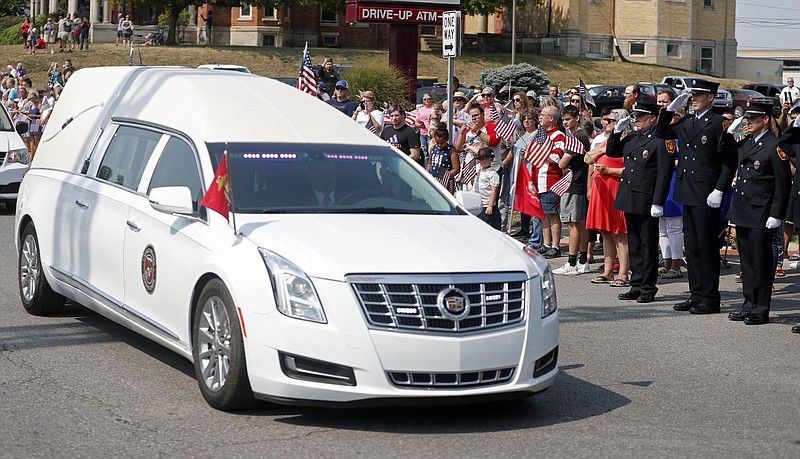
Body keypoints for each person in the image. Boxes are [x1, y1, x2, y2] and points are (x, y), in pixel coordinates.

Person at [655, 79, 736, 314]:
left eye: (699, 95)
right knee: (691, 247)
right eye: (692, 95)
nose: (694, 99)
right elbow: (661, 132)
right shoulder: (688, 120)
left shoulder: (720, 123)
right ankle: (696, 293)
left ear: (710, 97)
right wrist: (668, 110)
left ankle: (710, 298)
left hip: (707, 192)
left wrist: (720, 189)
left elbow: (729, 161)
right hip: (687, 190)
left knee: (706, 246)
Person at [725, 102, 791, 325]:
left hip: (762, 212)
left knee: (761, 263)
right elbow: (725, 150)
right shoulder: (747, 143)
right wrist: (731, 129)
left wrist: (777, 214)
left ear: (765, 120)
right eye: (747, 119)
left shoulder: (775, 146)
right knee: (747, 263)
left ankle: (760, 309)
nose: (748, 122)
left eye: (753, 118)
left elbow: (782, 184)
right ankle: (748, 304)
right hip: (744, 209)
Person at [606, 102, 675, 303]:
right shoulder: (633, 137)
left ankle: (648, 286)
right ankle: (636, 283)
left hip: (647, 198)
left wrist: (658, 201)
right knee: (634, 243)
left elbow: (664, 173)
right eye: (635, 117)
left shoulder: (660, 139)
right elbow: (612, 152)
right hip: (630, 196)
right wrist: (616, 131)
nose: (636, 120)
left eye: (641, 117)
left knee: (648, 244)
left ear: (652, 118)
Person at [585, 107, 630, 286]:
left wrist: (609, 170)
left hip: (617, 188)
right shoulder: (605, 142)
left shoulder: (628, 142)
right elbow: (587, 159)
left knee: (620, 233)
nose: (606, 123)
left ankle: (624, 273)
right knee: (605, 233)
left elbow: (632, 170)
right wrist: (603, 150)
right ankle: (608, 271)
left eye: (610, 120)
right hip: (601, 191)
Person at [553, 104, 591, 275]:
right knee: (580, 223)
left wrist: (560, 161)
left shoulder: (578, 137)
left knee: (573, 223)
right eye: (563, 120)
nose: (565, 123)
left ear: (577, 118)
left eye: (568, 119)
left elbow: (562, 163)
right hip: (578, 183)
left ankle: (572, 262)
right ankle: (583, 260)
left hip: (574, 184)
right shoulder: (580, 136)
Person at [654, 89, 685, 279]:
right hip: (660, 180)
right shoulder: (660, 130)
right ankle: (666, 262)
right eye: (659, 102)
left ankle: (676, 264)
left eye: (665, 102)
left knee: (674, 226)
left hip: (675, 179)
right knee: (661, 227)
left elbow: (688, 157)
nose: (662, 106)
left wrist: (670, 162)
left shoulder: (681, 129)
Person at [535, 106, 567, 258]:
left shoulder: (558, 136)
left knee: (552, 214)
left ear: (551, 118)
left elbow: (556, 158)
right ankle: (546, 244)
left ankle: (555, 245)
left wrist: (538, 154)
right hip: (540, 181)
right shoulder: (542, 135)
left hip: (551, 180)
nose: (540, 117)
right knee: (543, 215)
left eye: (543, 115)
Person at [473, 147, 501, 229]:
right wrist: (468, 147)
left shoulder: (492, 174)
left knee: (487, 226)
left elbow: (494, 190)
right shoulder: (478, 169)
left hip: (486, 204)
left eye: (486, 158)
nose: (484, 161)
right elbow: (478, 152)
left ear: (491, 159)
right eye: (481, 159)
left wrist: (490, 206)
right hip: (477, 203)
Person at [426, 127, 460, 194]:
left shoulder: (451, 151)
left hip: (446, 183)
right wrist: (426, 173)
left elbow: (456, 169)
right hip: (433, 179)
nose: (439, 145)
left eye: (442, 143)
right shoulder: (434, 148)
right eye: (437, 142)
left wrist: (445, 176)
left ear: (447, 139)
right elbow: (430, 163)